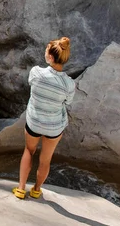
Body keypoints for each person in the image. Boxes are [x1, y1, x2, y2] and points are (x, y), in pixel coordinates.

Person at [12, 37, 75, 199]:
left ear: (51, 57)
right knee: (45, 160)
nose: (45, 53)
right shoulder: (69, 84)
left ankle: (20, 189)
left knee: (29, 151)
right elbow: (68, 101)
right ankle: (36, 190)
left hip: (34, 122)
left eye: (46, 51)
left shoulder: (36, 72)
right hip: (54, 126)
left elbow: (32, 85)